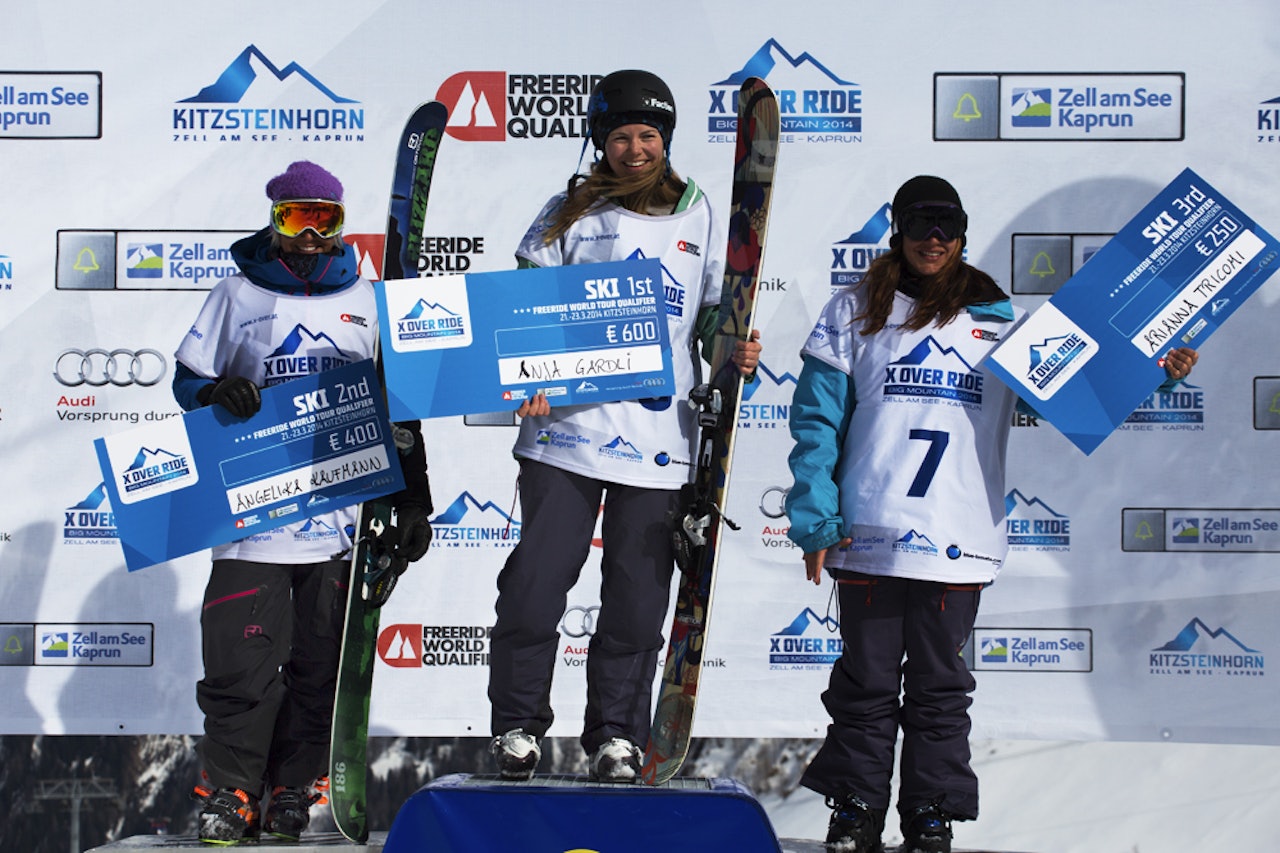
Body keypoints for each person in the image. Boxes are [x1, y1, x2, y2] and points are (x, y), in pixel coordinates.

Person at [784, 175, 1198, 853]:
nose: (934, 240)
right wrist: (815, 521)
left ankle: (930, 814)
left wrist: (1156, 369)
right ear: (899, 230)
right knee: (866, 684)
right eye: (921, 225)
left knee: (942, 688)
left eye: (946, 227)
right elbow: (816, 423)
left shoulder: (1000, 318)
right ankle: (855, 809)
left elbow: (1069, 390)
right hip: (869, 535)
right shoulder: (856, 308)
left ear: (962, 234)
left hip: (957, 538)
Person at [486, 69, 762, 783]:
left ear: (665, 140)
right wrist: (531, 374)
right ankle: (518, 725)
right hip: (565, 433)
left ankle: (616, 735)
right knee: (534, 586)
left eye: (648, 136)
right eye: (619, 137)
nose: (634, 150)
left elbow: (709, 317)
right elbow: (525, 302)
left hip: (657, 440)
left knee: (637, 601)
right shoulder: (568, 211)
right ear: (598, 141)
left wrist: (736, 349)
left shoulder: (701, 215)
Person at [172, 161, 434, 843]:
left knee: (321, 667)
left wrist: (413, 502)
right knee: (239, 666)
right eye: (295, 217)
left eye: (325, 218)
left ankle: (293, 788)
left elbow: (398, 407)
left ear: (340, 224)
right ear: (275, 220)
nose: (310, 233)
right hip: (251, 515)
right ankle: (230, 792)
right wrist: (213, 393)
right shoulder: (238, 293)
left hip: (340, 520)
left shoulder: (370, 299)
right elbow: (186, 378)